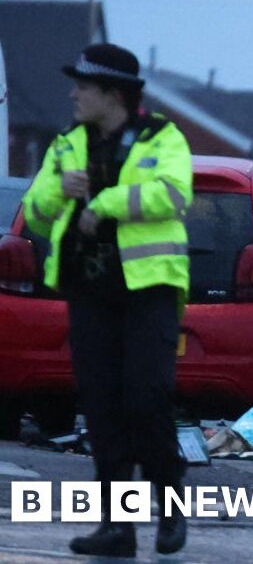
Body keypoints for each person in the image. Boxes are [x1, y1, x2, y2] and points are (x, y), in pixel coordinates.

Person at [22, 43, 192, 557]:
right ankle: (117, 528)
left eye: (84, 86)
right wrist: (61, 192)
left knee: (147, 399)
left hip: (149, 291)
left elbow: (173, 193)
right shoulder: (66, 144)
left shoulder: (162, 138)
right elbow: (34, 211)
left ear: (113, 94)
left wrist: (106, 199)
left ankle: (170, 504)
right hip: (90, 294)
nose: (73, 94)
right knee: (101, 410)